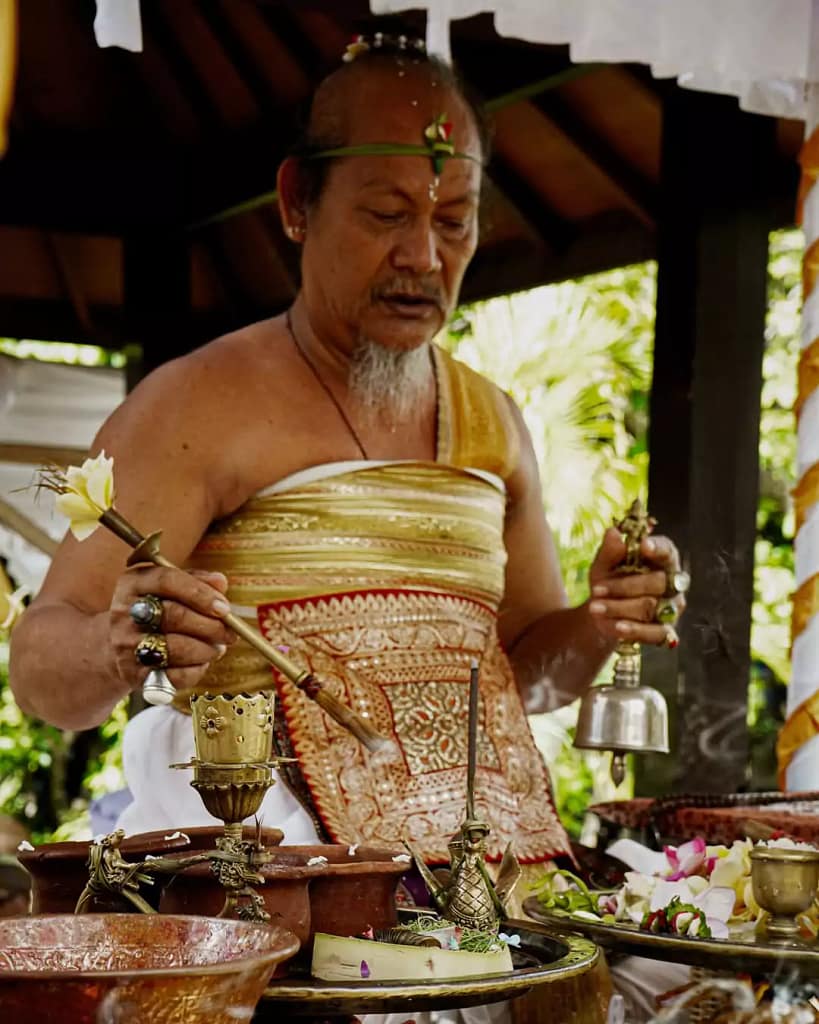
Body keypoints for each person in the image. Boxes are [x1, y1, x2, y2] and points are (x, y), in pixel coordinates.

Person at [9, 35, 688, 1021]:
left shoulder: (495, 420)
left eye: (454, 221)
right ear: (295, 202)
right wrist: (126, 644)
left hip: (493, 894)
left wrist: (603, 618)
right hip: (278, 880)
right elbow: (41, 670)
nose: (424, 255)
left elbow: (526, 669)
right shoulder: (196, 404)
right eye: (384, 215)